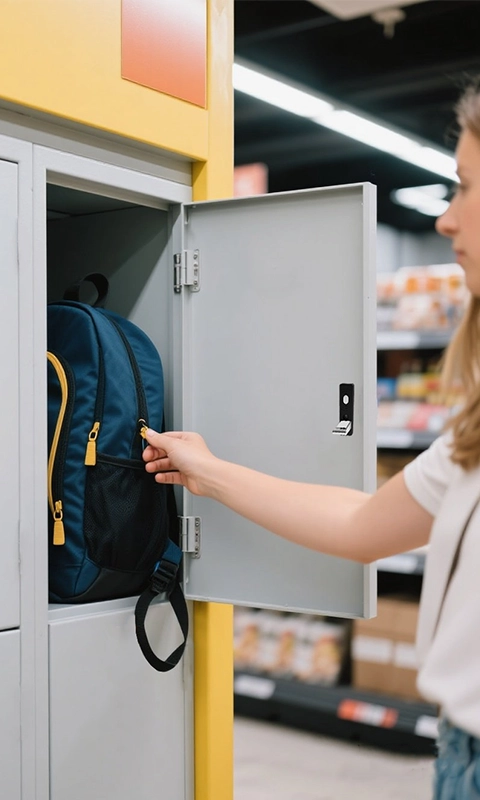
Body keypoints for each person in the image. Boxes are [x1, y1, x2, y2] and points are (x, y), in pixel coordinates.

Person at [143, 79, 480, 800]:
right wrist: (208, 472)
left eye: (466, 188)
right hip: (463, 749)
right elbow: (362, 525)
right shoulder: (474, 431)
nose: (447, 220)